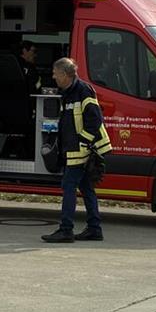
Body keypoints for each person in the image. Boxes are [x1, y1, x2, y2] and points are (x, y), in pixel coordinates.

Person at [41, 57, 112, 243]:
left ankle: (66, 230)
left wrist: (83, 142)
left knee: (68, 186)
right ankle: (94, 229)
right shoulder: (68, 92)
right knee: (87, 188)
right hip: (75, 148)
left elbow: (95, 119)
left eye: (56, 74)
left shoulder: (83, 90)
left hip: (81, 149)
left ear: (65, 74)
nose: (53, 77)